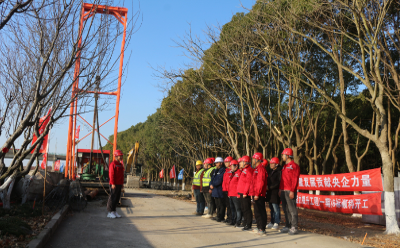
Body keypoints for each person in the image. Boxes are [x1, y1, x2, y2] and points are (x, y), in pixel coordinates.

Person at [279, 148, 300, 235]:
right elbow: (282, 180)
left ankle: (294, 227)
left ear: (287, 156)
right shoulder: (284, 166)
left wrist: (292, 191)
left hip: (290, 191)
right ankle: (288, 225)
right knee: (286, 209)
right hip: (283, 191)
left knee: (292, 210)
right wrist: (280, 189)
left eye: (283, 155)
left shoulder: (294, 166)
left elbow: (295, 180)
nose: (282, 157)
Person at [249, 152, 268, 236]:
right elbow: (253, 183)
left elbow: (260, 182)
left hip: (259, 194)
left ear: (257, 159)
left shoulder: (261, 169)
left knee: (261, 211)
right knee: (256, 211)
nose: (252, 160)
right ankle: (258, 226)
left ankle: (262, 228)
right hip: (255, 194)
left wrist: (257, 193)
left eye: (253, 159)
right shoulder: (256, 169)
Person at [237, 155, 254, 231]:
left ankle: (248, 224)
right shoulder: (243, 170)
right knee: (243, 208)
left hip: (245, 193)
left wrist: (245, 192)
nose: (240, 163)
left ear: (245, 162)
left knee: (247, 209)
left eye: (241, 162)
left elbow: (248, 182)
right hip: (241, 191)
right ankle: (245, 223)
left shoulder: (249, 170)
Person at [107, 150, 124, 219]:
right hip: (114, 184)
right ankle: (110, 212)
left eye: (122, 156)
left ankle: (114, 211)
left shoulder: (120, 164)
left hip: (119, 184)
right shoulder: (113, 164)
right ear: (116, 156)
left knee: (117, 198)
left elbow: (122, 175)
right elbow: (112, 174)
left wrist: (122, 183)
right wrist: (113, 183)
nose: (121, 157)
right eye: (120, 156)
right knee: (112, 198)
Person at [266, 157, 282, 230]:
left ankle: (276, 222)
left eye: (273, 164)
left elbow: (278, 182)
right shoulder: (270, 171)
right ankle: (272, 221)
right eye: (271, 163)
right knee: (271, 208)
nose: (271, 165)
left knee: (276, 208)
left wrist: (270, 187)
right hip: (269, 192)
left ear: (276, 164)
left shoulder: (279, 171)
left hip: (275, 192)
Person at [210, 157, 226, 222]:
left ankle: (221, 217)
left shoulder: (223, 170)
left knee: (221, 204)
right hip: (215, 191)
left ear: (221, 163)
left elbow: (220, 180)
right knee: (217, 204)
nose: (216, 164)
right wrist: (211, 184)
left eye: (217, 163)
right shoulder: (216, 170)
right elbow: (212, 179)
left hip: (220, 190)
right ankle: (218, 215)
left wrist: (213, 185)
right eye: (215, 163)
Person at [228, 159, 242, 228]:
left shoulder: (239, 173)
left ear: (236, 166)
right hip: (231, 194)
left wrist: (239, 194)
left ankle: (238, 221)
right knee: (232, 208)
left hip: (236, 194)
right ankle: (233, 220)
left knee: (238, 209)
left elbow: (240, 184)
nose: (230, 168)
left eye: (231, 166)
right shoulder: (233, 174)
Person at [222, 156, 233, 223]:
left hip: (230, 191)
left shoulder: (231, 171)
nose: (225, 163)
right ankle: (228, 217)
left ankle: (231, 218)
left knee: (230, 206)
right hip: (225, 190)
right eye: (225, 162)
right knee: (227, 205)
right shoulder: (226, 171)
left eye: (227, 162)